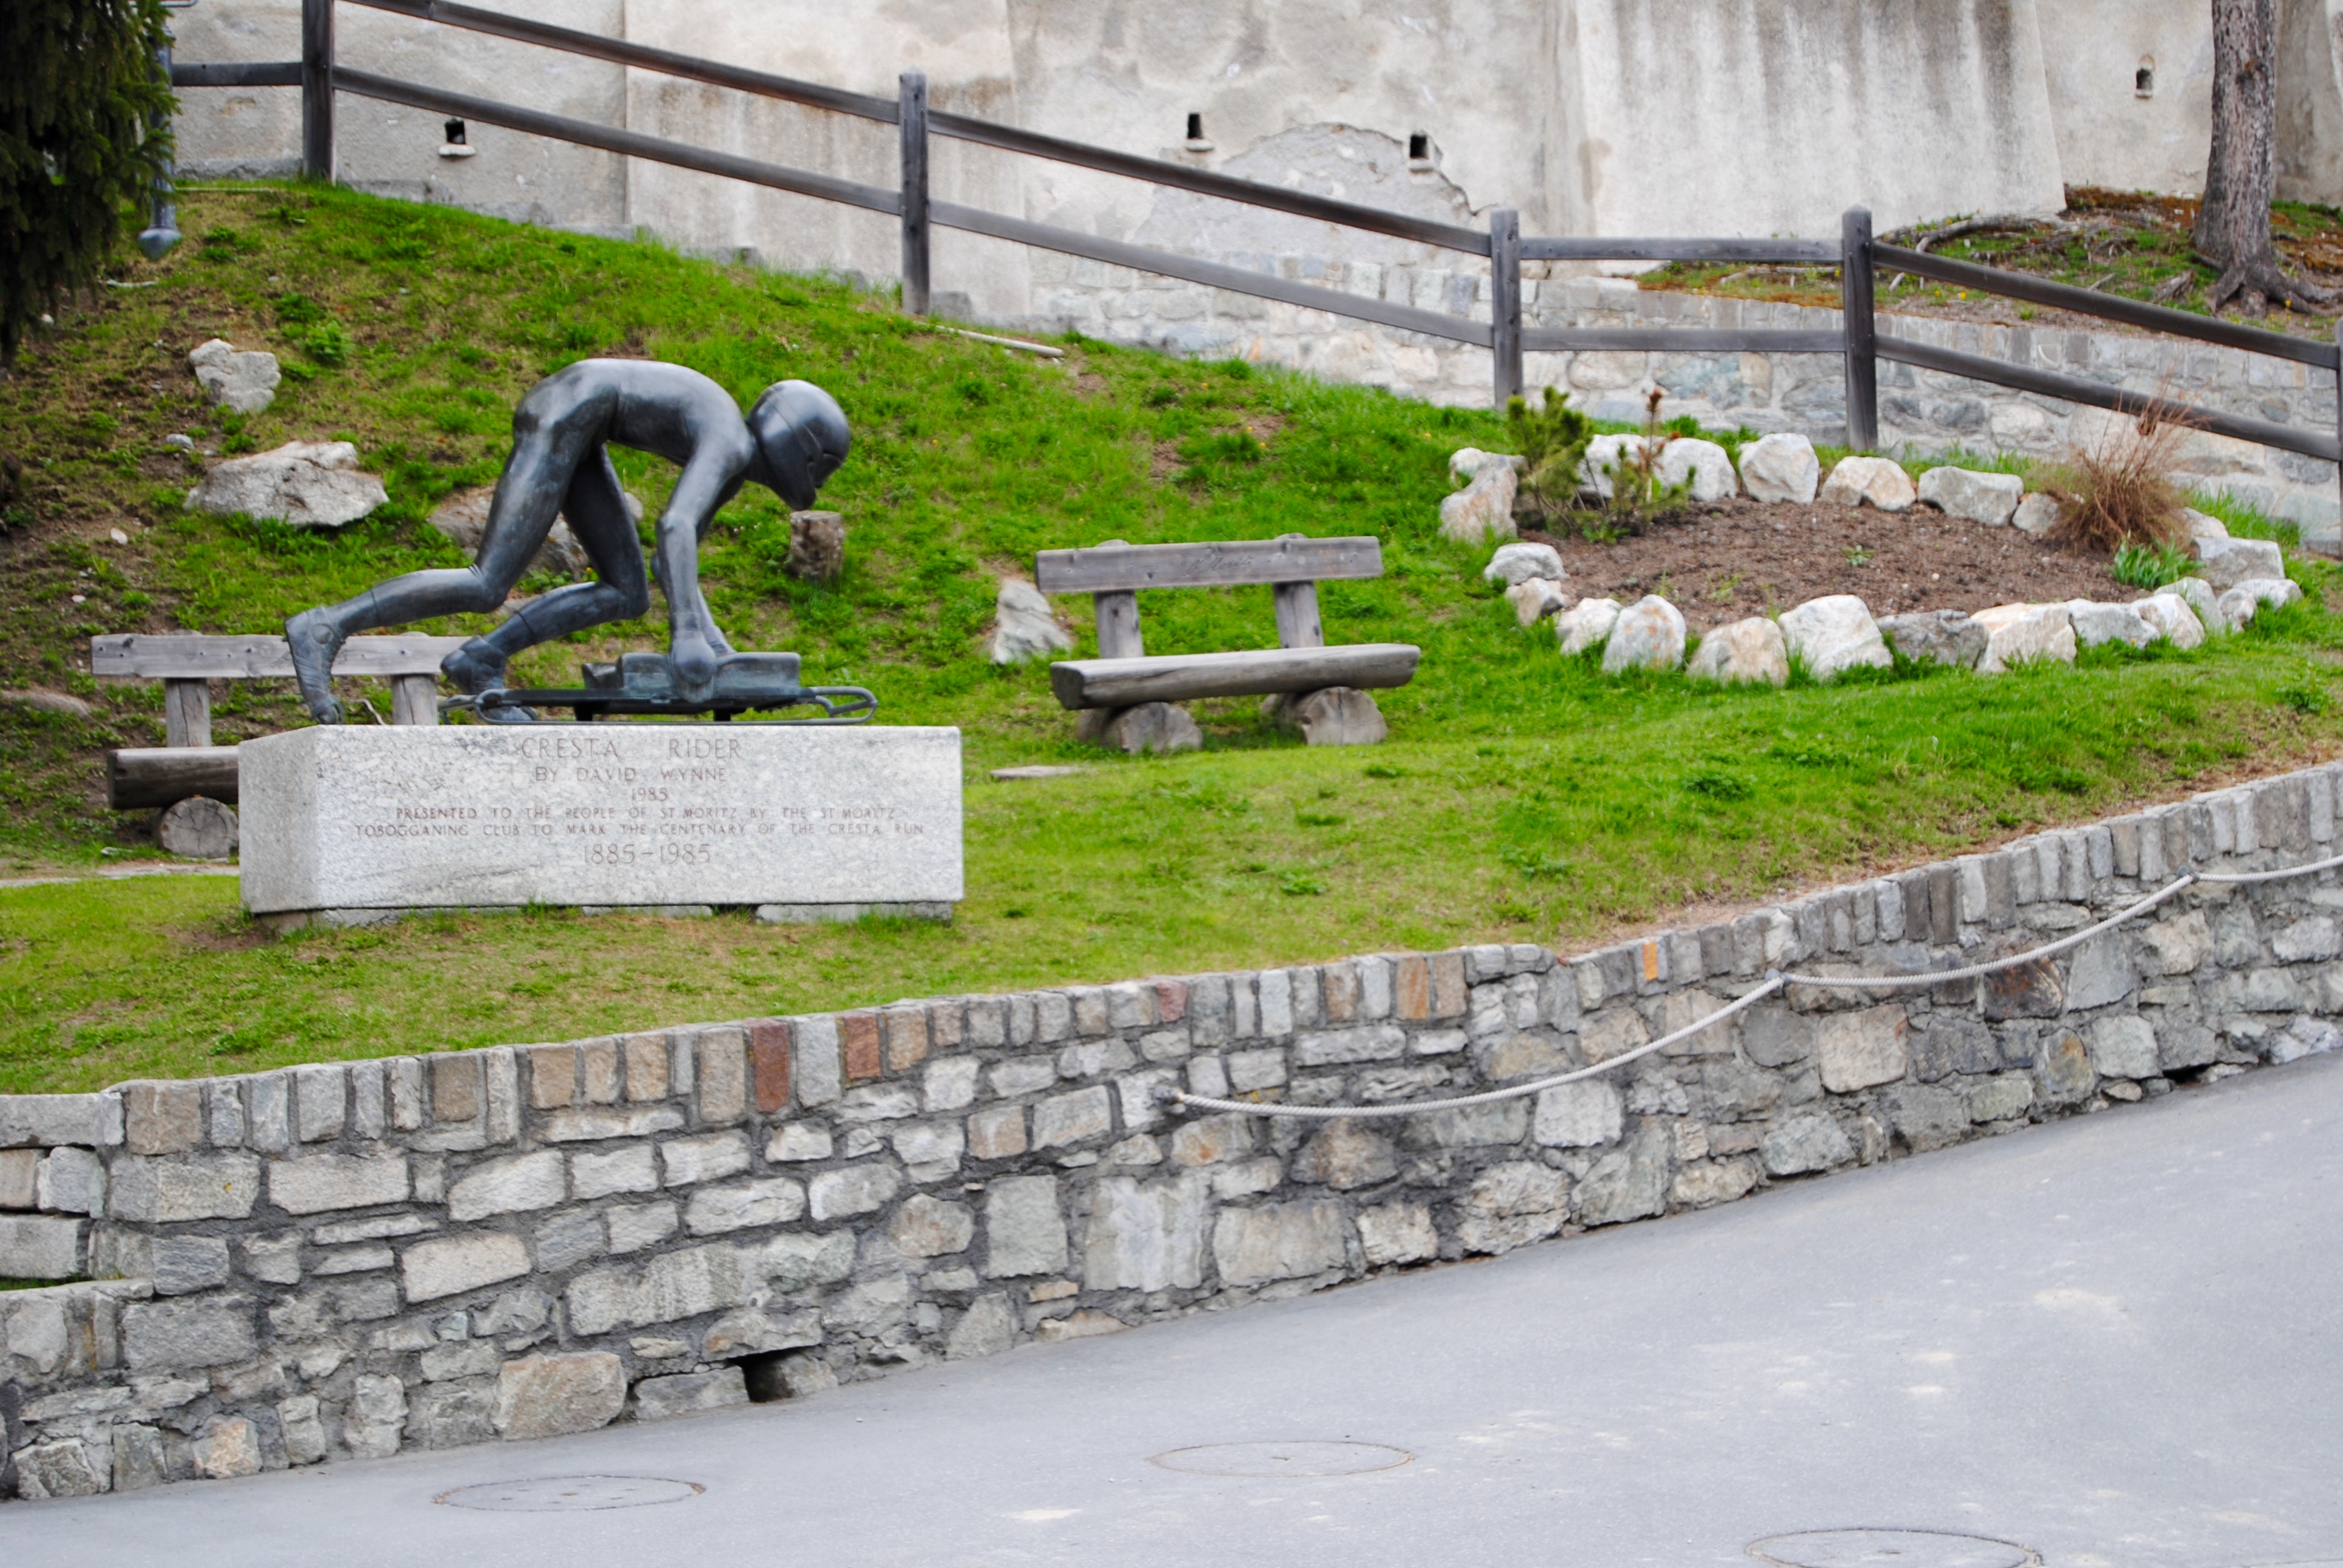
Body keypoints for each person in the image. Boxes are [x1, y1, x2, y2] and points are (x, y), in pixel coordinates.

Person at [284, 359, 850, 723]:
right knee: (487, 584)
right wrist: (687, 638)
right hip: (568, 412)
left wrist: (717, 648)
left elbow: (673, 563)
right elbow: (673, 527)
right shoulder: (729, 442)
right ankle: (327, 624)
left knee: (627, 592)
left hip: (586, 424)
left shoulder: (730, 458)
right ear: (804, 452)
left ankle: (481, 658)